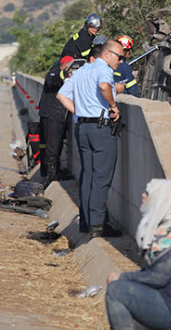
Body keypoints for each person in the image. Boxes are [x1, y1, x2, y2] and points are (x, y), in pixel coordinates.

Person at [105, 179, 171, 330]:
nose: (143, 196)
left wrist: (122, 277)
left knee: (115, 291)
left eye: (148, 194)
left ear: (162, 200)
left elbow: (158, 277)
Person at [56, 40, 126, 238]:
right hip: (101, 128)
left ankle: (86, 222)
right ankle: (98, 224)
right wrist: (112, 105)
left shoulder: (81, 71)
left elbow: (62, 95)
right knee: (101, 177)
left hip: (83, 127)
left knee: (87, 174)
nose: (120, 62)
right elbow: (104, 86)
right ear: (107, 54)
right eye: (119, 57)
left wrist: (79, 111)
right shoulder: (103, 69)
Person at [37, 55, 75, 188]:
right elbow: (51, 80)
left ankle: (54, 170)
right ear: (64, 66)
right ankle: (50, 174)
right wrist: (64, 74)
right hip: (52, 114)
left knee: (57, 143)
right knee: (52, 145)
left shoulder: (64, 75)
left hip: (59, 114)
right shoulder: (54, 72)